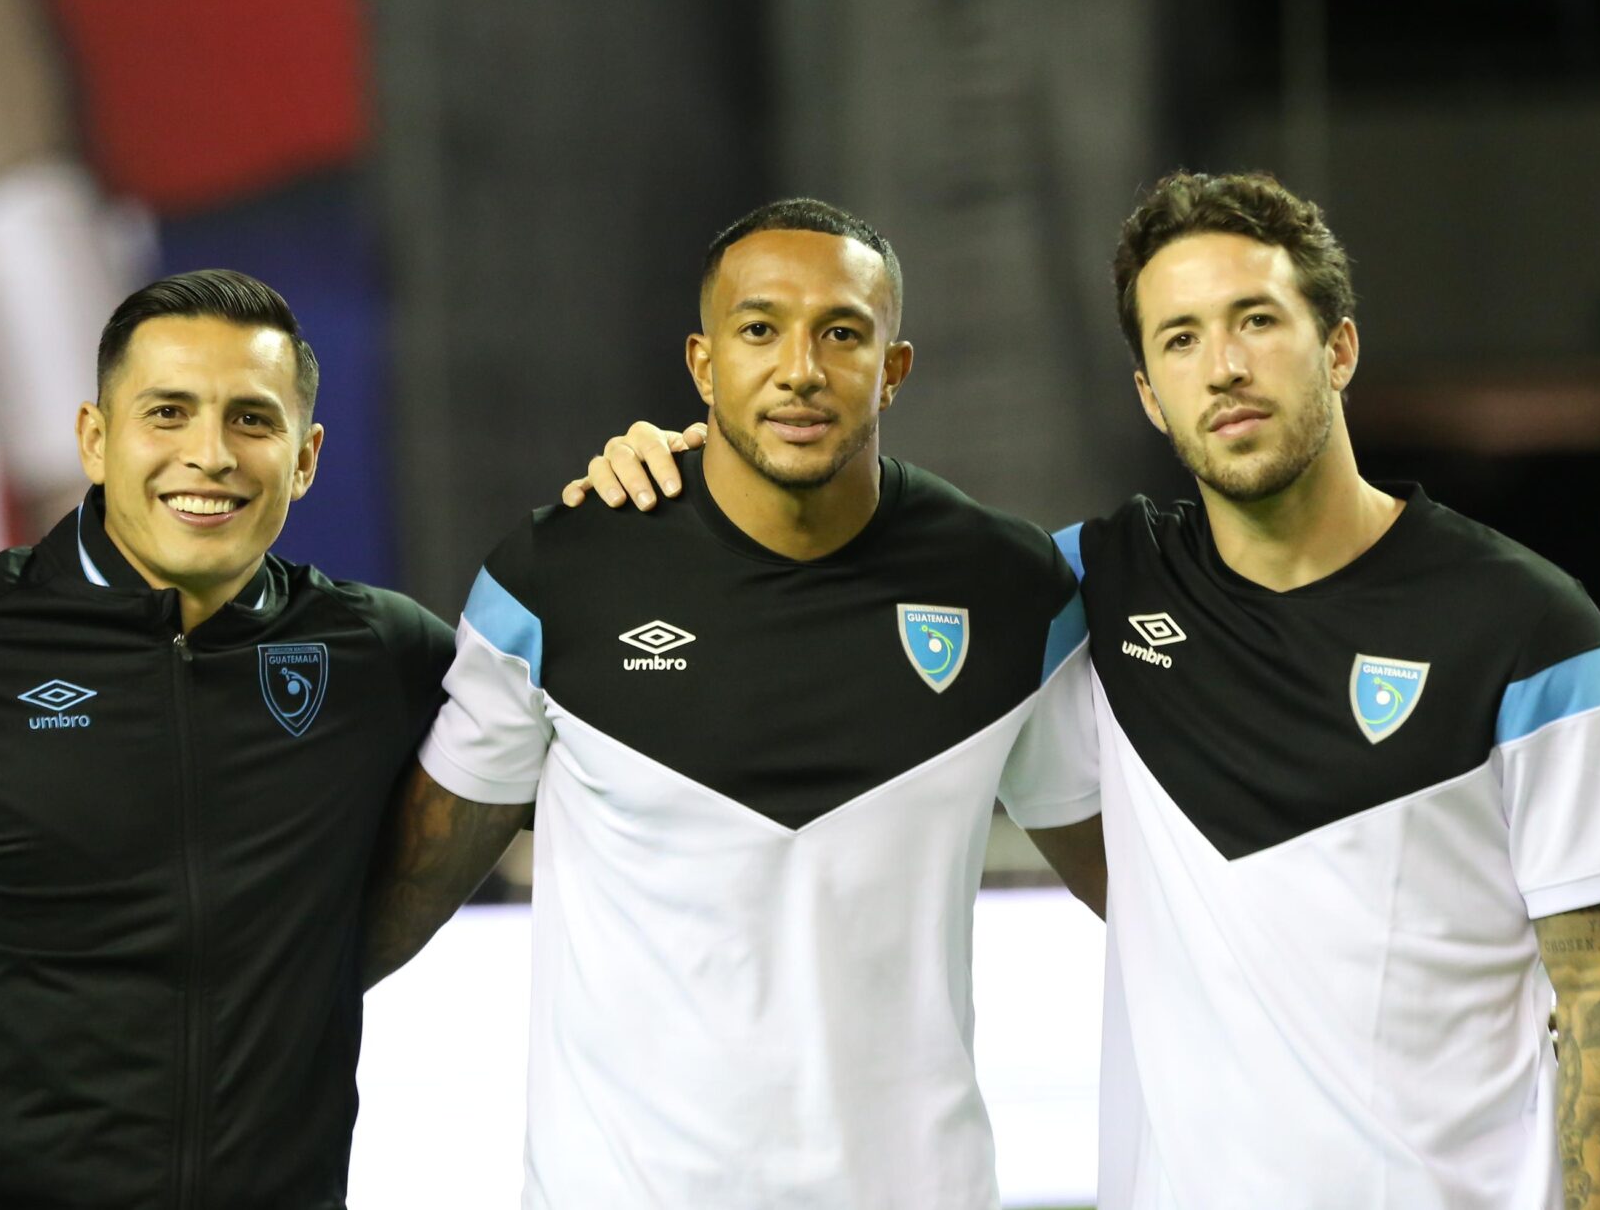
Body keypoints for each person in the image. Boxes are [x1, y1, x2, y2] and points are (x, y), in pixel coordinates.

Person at [579, 172, 1600, 1210]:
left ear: (1336, 348)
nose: (1225, 367)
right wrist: (686, 470)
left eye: (1256, 320)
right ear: (1150, 395)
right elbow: (818, 560)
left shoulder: (1530, 630)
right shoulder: (1082, 600)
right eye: (1181, 340)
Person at [360, 198, 1106, 1209]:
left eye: (840, 332)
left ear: (893, 369)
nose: (799, 367)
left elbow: (1152, 898)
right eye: (759, 330)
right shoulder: (557, 578)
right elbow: (401, 894)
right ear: (705, 366)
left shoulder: (1012, 593)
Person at [0, 269, 454, 1208]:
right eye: (167, 412)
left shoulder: (384, 652)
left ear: (307, 456)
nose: (209, 454)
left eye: (252, 419)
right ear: (94, 438)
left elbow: (576, 768)